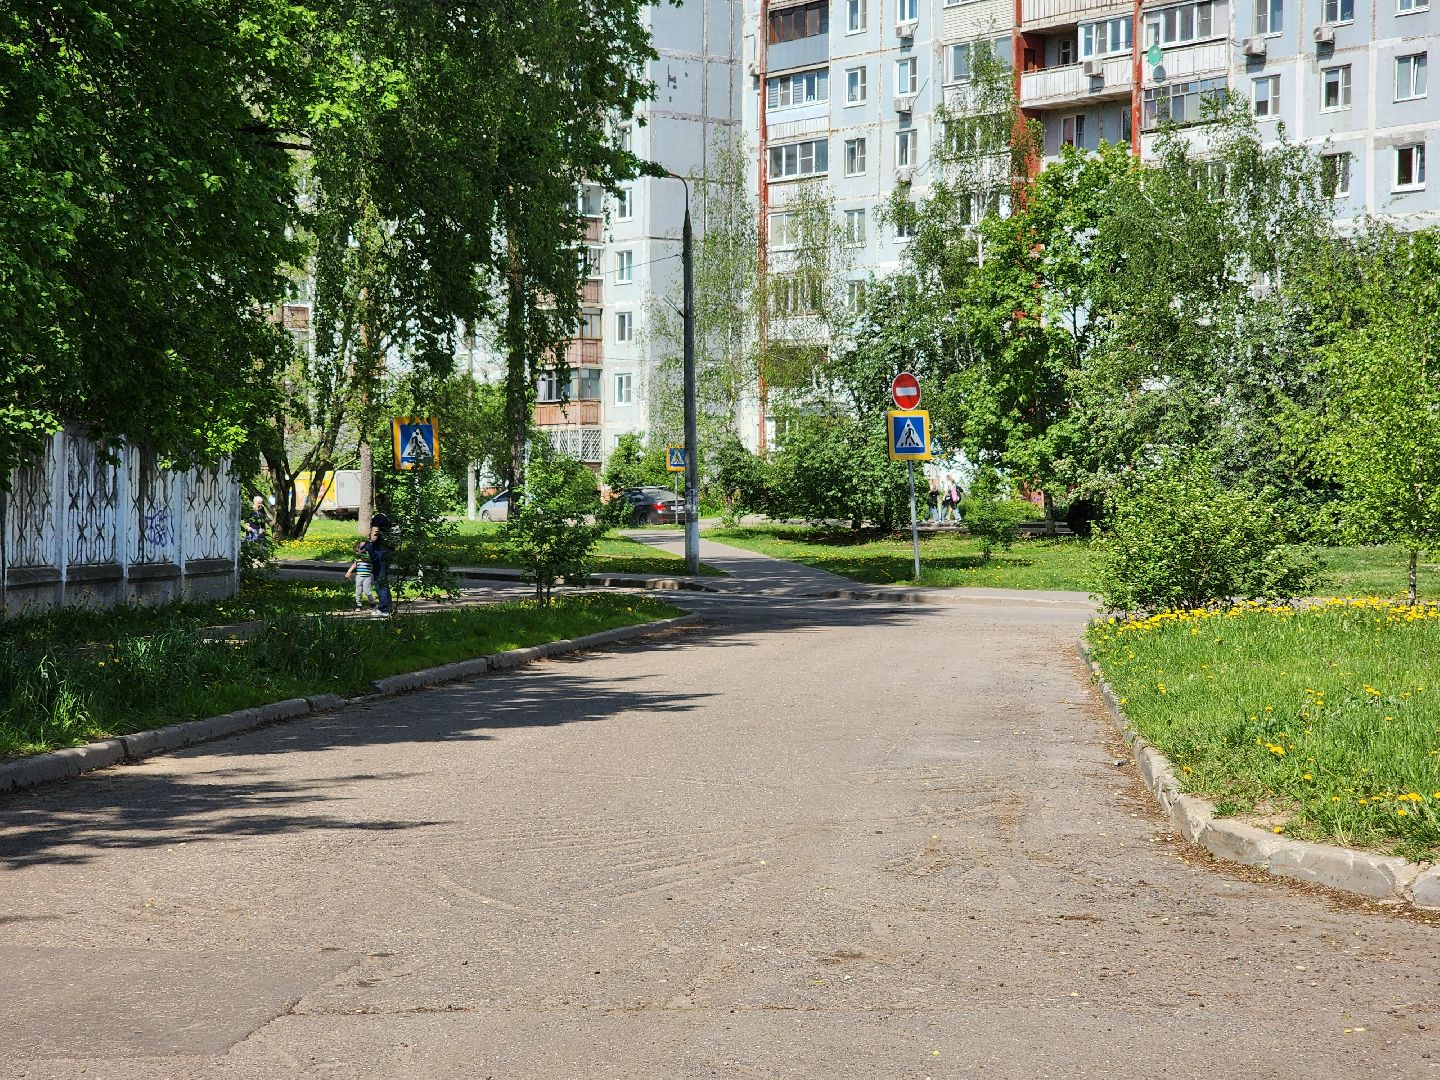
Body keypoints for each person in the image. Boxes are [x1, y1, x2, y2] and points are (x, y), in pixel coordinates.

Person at [363, 525, 392, 617]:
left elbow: (374, 537)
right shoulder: (387, 521)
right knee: (383, 583)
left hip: (379, 556)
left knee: (380, 583)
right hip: (384, 554)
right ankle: (387, 607)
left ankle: (384, 609)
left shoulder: (378, 520)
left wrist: (368, 542)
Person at [344, 541, 374, 611]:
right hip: (359, 576)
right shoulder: (358, 559)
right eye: (355, 551)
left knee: (367, 591)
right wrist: (349, 571)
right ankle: (359, 605)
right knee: (358, 591)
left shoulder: (369, 558)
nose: (356, 553)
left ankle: (372, 603)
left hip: (367, 577)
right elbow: (354, 565)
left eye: (357, 551)